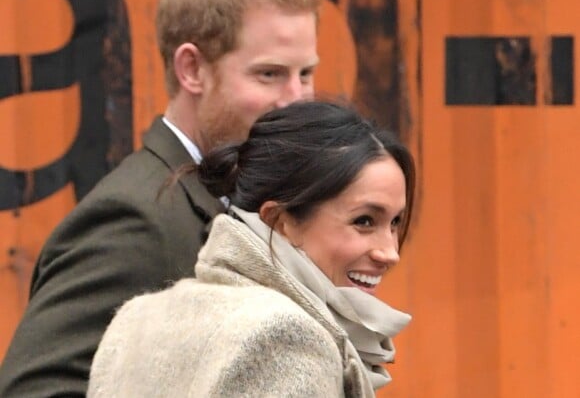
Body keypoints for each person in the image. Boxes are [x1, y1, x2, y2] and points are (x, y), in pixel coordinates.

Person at [0, 0, 323, 397]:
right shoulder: (135, 220)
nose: (295, 100)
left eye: (305, 74)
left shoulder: (235, 203)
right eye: (268, 74)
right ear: (191, 69)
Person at [87, 100, 416, 397]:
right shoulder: (286, 338)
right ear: (278, 220)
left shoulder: (137, 318)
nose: (389, 252)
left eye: (395, 223)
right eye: (364, 221)